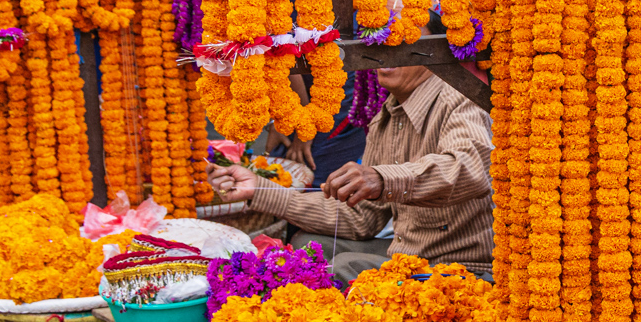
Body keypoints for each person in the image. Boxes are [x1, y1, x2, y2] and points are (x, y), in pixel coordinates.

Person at [207, 65, 494, 284]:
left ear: (432, 51)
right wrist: (259, 190)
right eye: (382, 42)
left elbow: (469, 167)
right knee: (307, 245)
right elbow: (362, 217)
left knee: (342, 267)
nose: (387, 53)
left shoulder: (460, 99)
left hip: (465, 266)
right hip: (408, 252)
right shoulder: (386, 118)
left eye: (403, 42)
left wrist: (382, 179)